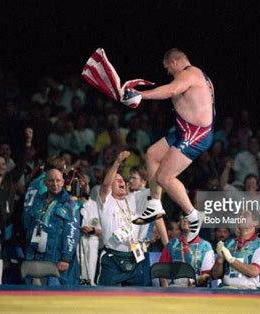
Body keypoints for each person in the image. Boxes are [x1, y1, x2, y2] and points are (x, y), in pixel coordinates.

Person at [128, 48, 215, 242]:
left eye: (168, 68)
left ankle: (193, 215)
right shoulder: (195, 75)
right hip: (184, 130)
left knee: (164, 177)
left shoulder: (189, 74)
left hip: (196, 134)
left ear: (174, 62)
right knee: (152, 154)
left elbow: (171, 90)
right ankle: (155, 203)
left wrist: (140, 95)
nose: (169, 73)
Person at [96, 151, 149, 286]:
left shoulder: (133, 199)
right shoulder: (106, 202)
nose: (122, 181)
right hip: (112, 259)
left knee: (137, 299)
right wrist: (118, 162)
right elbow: (105, 185)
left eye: (122, 180)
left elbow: (153, 189)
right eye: (117, 180)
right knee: (104, 298)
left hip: (134, 257)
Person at [23, 168, 81, 285]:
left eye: (58, 180)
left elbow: (72, 232)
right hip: (36, 256)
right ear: (44, 182)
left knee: (56, 296)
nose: (55, 184)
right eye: (51, 181)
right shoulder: (38, 200)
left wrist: (66, 258)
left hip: (56, 257)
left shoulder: (70, 204)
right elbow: (29, 224)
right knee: (35, 296)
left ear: (63, 182)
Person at [210, 210, 260, 289]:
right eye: (239, 215)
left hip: (250, 292)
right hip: (226, 290)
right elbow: (215, 275)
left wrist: (231, 259)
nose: (240, 217)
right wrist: (219, 260)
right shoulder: (229, 243)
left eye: (245, 215)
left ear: (255, 222)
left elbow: (254, 271)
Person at [159, 214, 215, 287]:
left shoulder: (205, 246)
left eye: (190, 218)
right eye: (183, 217)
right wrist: (165, 291)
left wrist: (196, 281)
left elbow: (207, 274)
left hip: (196, 289)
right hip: (174, 288)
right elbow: (162, 271)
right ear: (179, 222)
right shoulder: (172, 244)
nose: (185, 220)